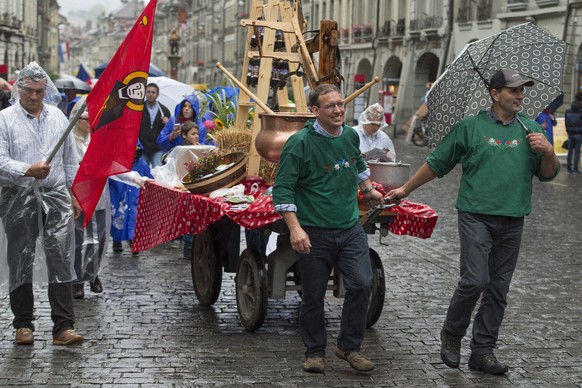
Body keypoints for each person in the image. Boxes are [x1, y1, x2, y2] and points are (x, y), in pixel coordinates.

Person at [385, 68, 559, 375]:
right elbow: (437, 163)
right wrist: (404, 189)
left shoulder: (530, 129)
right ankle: (452, 334)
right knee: (476, 280)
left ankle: (482, 351)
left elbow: (547, 174)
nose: (520, 96)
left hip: (513, 218)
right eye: (514, 90)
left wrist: (548, 153)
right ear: (495, 94)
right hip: (475, 215)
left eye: (522, 91)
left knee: (498, 289)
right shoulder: (469, 127)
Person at [272, 84, 384, 374]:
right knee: (313, 295)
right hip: (314, 231)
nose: (337, 110)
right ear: (315, 111)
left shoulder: (349, 136)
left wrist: (368, 189)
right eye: (330, 106)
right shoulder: (299, 143)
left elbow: (357, 163)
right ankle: (314, 352)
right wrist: (296, 230)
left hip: (349, 228)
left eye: (340, 104)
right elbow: (283, 189)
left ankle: (348, 346)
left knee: (361, 284)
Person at [0, 61, 84, 346]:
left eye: (39, 91)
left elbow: (70, 161)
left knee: (60, 257)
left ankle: (63, 326)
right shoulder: (5, 119)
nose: (34, 96)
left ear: (45, 90)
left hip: (55, 195)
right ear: (18, 89)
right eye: (28, 91)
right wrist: (27, 169)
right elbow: (0, 160)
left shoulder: (59, 118)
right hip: (18, 196)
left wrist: (74, 194)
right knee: (20, 257)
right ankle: (23, 324)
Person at [70, 97, 110, 299]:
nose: (88, 123)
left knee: (100, 239)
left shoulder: (98, 140)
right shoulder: (68, 142)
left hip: (99, 196)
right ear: (76, 119)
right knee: (78, 239)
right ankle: (77, 280)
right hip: (78, 198)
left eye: (91, 119)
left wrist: (137, 178)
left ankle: (93, 273)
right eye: (85, 119)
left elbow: (110, 165)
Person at [109, 145, 153, 254]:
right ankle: (117, 240)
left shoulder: (141, 164)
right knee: (118, 219)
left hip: (135, 197)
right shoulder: (116, 163)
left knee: (134, 218)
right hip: (119, 198)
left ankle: (133, 241)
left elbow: (150, 178)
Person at [139, 83, 170, 168]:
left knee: (159, 170)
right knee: (142, 173)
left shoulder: (164, 111)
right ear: (145, 94)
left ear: (157, 95)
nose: (150, 94)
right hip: (142, 148)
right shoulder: (139, 109)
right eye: (148, 92)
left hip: (158, 148)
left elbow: (169, 131)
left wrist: (167, 123)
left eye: (153, 92)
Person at [565, 91, 582, 174]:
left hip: (570, 134)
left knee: (570, 152)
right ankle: (575, 169)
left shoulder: (568, 110)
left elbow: (566, 123)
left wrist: (568, 132)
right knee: (577, 152)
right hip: (579, 134)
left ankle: (568, 169)